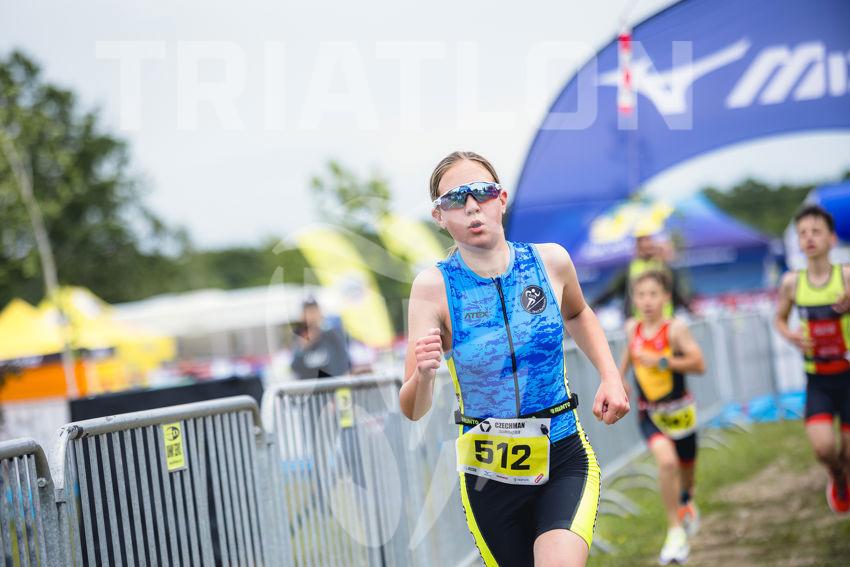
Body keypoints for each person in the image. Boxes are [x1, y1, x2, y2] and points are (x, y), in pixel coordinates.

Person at [399, 151, 630, 567]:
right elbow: (412, 409)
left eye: (482, 192)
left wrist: (610, 376)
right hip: (489, 477)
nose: (472, 206)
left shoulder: (549, 261)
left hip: (562, 453)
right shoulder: (433, 287)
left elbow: (578, 312)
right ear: (439, 215)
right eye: (456, 198)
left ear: (501, 199)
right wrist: (425, 375)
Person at [618, 270, 706, 565]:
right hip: (650, 413)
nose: (647, 301)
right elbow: (629, 354)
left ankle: (686, 501)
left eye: (653, 294)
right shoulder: (632, 328)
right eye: (641, 295)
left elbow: (699, 364)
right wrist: (618, 379)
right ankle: (674, 529)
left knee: (686, 476)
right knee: (667, 462)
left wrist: (663, 361)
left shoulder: (675, 329)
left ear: (666, 297)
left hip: (680, 412)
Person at [775, 204, 850, 515]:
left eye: (816, 231)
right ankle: (837, 476)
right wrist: (791, 336)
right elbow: (779, 319)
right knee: (823, 448)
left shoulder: (846, 276)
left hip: (847, 373)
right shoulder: (792, 282)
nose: (808, 238)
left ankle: (844, 475)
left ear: (831, 238)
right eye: (802, 233)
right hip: (817, 378)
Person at [591, 231, 691, 319]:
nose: (645, 244)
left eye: (648, 240)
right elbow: (612, 290)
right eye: (641, 241)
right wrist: (592, 305)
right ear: (637, 245)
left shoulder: (664, 265)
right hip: (639, 322)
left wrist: (690, 307)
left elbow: (676, 292)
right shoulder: (629, 268)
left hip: (664, 320)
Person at [290, 298, 351, 379]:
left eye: (314, 311)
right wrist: (303, 348)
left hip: (331, 383)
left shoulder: (332, 334)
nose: (311, 316)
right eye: (308, 312)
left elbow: (343, 361)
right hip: (309, 384)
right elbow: (295, 368)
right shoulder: (299, 338)